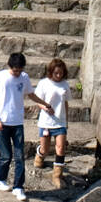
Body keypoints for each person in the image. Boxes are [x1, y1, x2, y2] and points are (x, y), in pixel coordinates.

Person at [0, 52, 56, 201]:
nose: (17, 73)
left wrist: (44, 104)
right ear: (9, 66)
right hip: (2, 122)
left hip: (17, 122)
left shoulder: (24, 78)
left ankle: (18, 187)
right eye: (15, 70)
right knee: (6, 155)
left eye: (20, 70)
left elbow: (31, 95)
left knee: (20, 157)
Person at [33, 58, 71, 188]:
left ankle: (57, 175)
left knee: (60, 148)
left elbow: (65, 102)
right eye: (56, 73)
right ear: (51, 72)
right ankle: (40, 155)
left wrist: (66, 121)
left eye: (61, 73)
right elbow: (37, 100)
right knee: (45, 149)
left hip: (60, 122)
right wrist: (45, 107)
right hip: (46, 122)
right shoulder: (44, 83)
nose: (59, 76)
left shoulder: (65, 85)